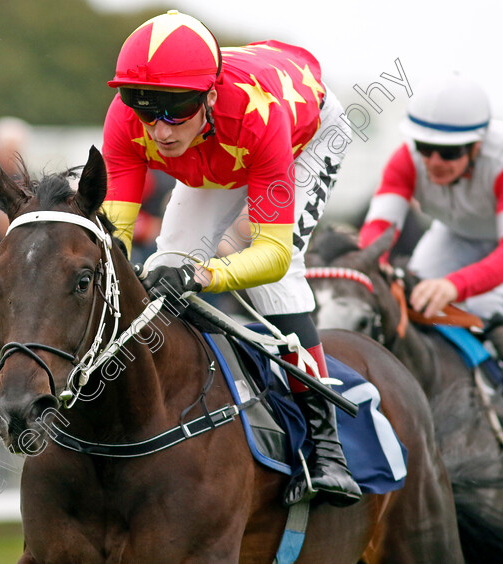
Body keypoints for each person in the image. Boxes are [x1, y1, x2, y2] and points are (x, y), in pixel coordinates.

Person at [101, 10, 359, 507]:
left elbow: (273, 255)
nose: (158, 130)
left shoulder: (259, 119)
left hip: (301, 137)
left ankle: (327, 445)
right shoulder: (127, 123)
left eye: (176, 109)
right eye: (143, 107)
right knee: (161, 266)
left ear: (209, 96)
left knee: (275, 284)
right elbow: (118, 236)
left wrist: (204, 275)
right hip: (218, 147)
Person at [359, 73, 503, 355]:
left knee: (484, 307)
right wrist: (377, 262)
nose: (434, 162)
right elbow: (378, 227)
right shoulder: (405, 161)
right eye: (425, 147)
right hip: (454, 234)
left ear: (477, 146)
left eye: (449, 152)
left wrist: (455, 285)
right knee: (417, 297)